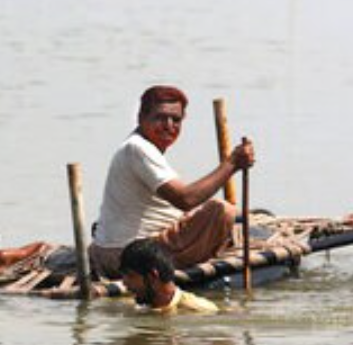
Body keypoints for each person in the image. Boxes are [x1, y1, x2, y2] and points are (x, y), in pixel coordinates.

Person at [89, 85, 255, 279]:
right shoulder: (137, 148)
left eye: (176, 119)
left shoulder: (142, 148)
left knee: (223, 215)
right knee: (222, 211)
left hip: (121, 250)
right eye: (160, 117)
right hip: (131, 256)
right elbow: (185, 199)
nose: (169, 125)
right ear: (141, 117)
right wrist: (232, 164)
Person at [119, 238, 218, 313]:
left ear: (153, 276)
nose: (124, 282)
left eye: (130, 276)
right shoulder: (136, 307)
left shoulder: (200, 310)